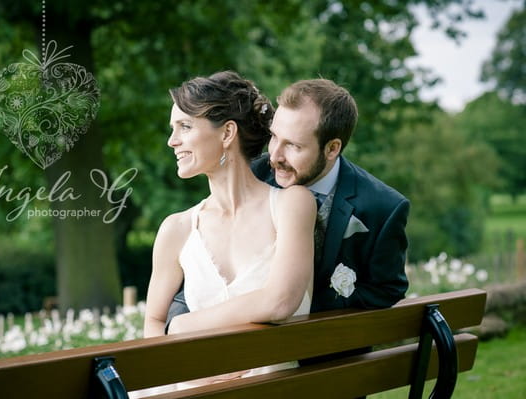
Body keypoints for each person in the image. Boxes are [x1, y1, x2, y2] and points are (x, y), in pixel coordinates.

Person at [131, 71, 316, 396]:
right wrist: (184, 370)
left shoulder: (291, 204)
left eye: (184, 127)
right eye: (172, 129)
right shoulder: (177, 228)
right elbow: (154, 323)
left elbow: (281, 301)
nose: (172, 141)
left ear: (228, 132)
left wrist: (184, 325)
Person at [167, 77, 409, 322]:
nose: (275, 156)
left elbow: (388, 289)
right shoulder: (251, 175)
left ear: (332, 148)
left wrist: (311, 301)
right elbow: (200, 264)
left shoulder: (383, 207)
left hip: (331, 354)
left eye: (293, 145)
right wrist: (176, 325)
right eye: (274, 137)